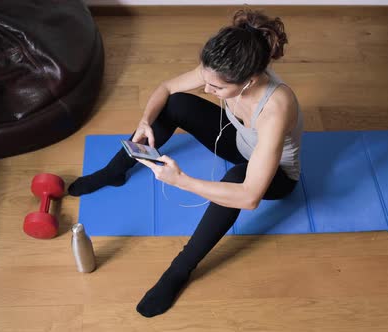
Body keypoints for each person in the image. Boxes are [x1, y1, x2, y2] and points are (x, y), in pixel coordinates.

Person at [68, 8, 303, 317]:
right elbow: (166, 88)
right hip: (239, 141)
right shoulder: (222, 70)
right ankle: (114, 171)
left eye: (216, 88)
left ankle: (180, 269)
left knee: (235, 180)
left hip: (277, 176)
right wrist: (144, 121)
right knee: (175, 103)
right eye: (206, 80)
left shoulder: (276, 108)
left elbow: (250, 197)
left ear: (250, 80)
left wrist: (182, 181)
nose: (207, 90)